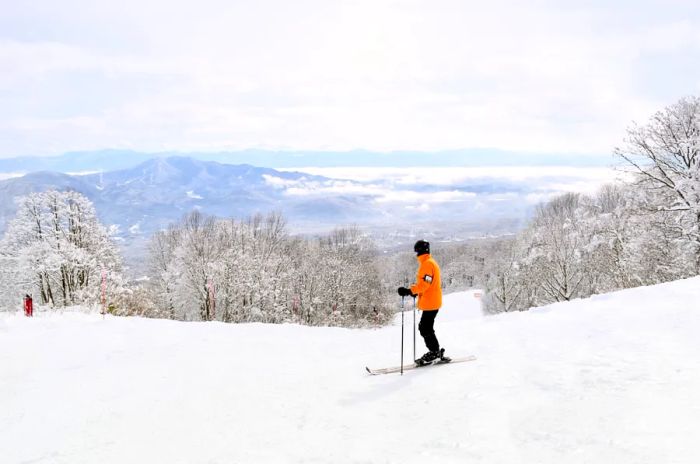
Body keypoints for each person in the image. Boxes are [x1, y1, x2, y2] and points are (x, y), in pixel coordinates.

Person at [397, 240, 444, 364]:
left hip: (431, 302)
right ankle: (435, 351)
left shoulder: (427, 264)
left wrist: (409, 291)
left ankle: (435, 352)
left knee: (425, 328)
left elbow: (425, 284)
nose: (416, 254)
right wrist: (413, 290)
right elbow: (425, 283)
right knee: (425, 327)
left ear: (419, 251)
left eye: (416, 251)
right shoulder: (429, 262)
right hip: (432, 301)